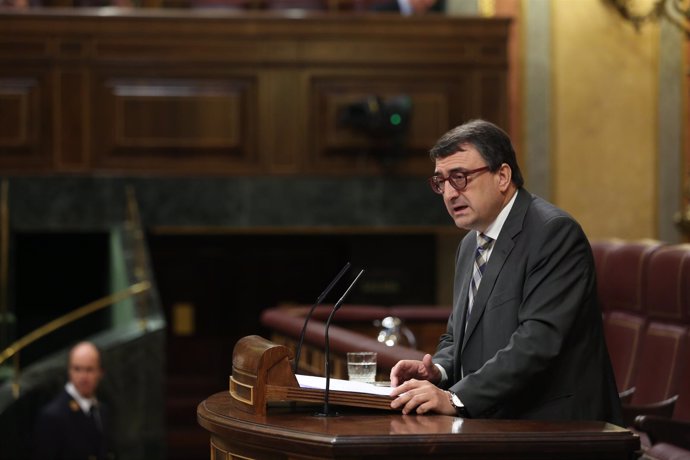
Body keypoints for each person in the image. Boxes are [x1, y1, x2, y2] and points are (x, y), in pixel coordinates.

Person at [389, 119, 623, 425]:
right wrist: (439, 371)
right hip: (496, 420)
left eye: (459, 178)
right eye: (440, 182)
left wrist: (455, 398)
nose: (449, 193)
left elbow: (537, 341)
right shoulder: (469, 244)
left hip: (556, 428)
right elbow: (456, 337)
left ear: (502, 176)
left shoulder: (553, 233)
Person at [32, 341, 113, 460]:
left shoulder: (102, 410)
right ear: (69, 371)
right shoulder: (53, 415)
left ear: (100, 373)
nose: (83, 377)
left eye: (89, 369)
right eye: (77, 369)